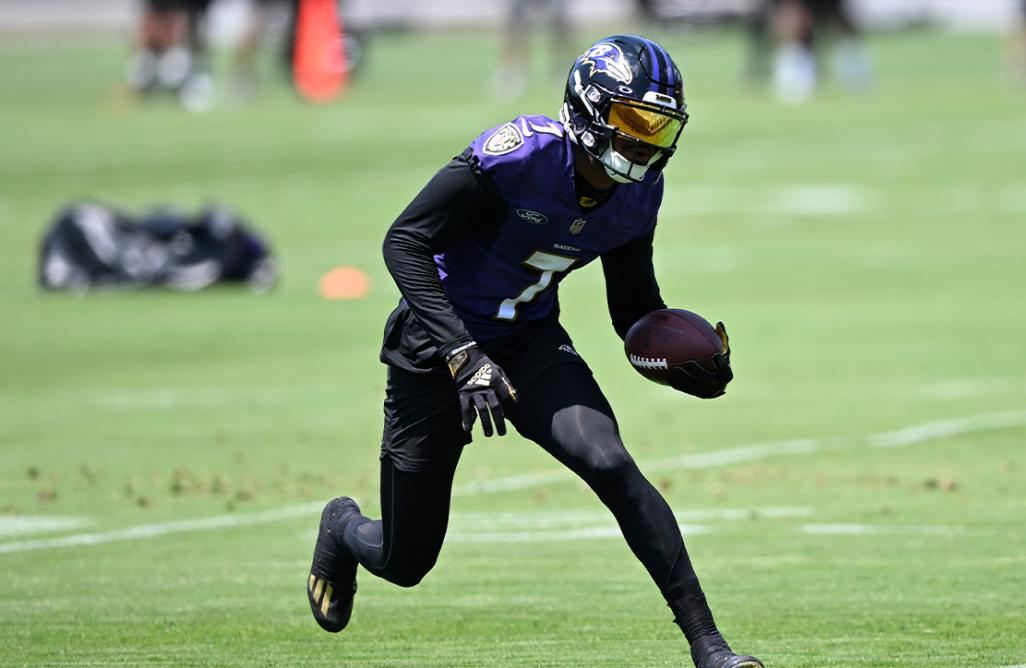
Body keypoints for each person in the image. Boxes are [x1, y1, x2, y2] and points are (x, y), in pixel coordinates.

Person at [305, 34, 763, 668]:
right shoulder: (517, 158)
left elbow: (632, 304)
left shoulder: (639, 194)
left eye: (660, 128)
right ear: (588, 110)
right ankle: (342, 529)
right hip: (435, 346)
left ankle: (710, 647)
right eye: (634, 122)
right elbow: (404, 242)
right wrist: (463, 355)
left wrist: (681, 358)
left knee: (609, 462)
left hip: (526, 339)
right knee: (406, 561)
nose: (647, 143)